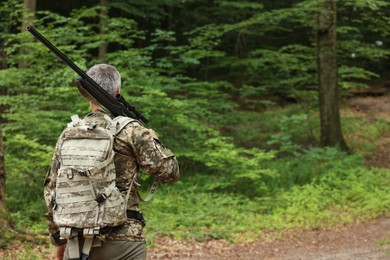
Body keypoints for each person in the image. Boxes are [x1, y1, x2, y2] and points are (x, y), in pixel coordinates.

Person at [44, 64, 180, 260]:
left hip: (76, 240)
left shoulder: (69, 134)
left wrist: (59, 243)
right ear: (118, 91)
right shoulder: (132, 130)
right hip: (124, 240)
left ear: (86, 96)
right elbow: (170, 172)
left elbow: (52, 191)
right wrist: (154, 140)